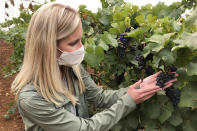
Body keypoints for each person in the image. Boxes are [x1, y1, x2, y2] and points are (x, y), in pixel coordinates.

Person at [11, 2, 177, 131]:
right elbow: (84, 128)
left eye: (81, 39)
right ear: (48, 47)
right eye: (73, 42)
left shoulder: (71, 67)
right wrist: (129, 101)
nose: (81, 47)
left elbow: (100, 98)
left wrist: (140, 87)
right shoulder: (31, 97)